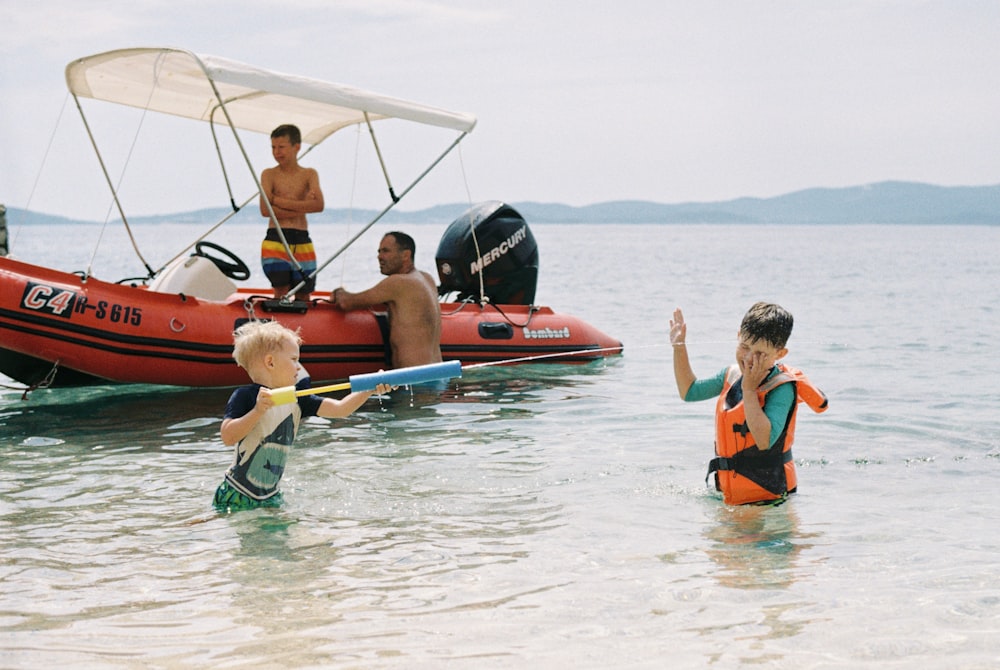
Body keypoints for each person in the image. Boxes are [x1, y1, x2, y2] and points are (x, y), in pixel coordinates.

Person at [213, 320, 391, 511]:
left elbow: (340, 409)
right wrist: (258, 411)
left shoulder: (298, 399)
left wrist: (369, 390)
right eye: (294, 359)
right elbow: (228, 437)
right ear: (270, 362)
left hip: (270, 496)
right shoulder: (246, 396)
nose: (299, 367)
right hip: (237, 493)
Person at [670, 302, 828, 506]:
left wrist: (749, 390)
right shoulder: (730, 374)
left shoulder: (782, 388)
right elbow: (689, 392)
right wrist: (679, 348)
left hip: (770, 498)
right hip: (732, 498)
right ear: (738, 336)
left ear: (780, 354)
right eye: (744, 347)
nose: (749, 358)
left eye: (760, 353)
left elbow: (764, 440)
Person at [331, 231, 443, 369]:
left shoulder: (397, 282)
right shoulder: (427, 279)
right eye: (379, 251)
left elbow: (345, 302)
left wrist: (339, 292)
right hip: (437, 373)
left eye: (386, 251)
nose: (379, 257)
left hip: (414, 379)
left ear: (406, 255)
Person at [259, 124, 324, 301]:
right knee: (281, 291)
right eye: (273, 147)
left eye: (281, 147)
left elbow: (318, 205)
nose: (276, 152)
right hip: (276, 238)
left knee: (304, 292)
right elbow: (266, 210)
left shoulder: (309, 174)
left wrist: (277, 201)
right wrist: (303, 206)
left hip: (302, 238)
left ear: (296, 147)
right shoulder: (269, 175)